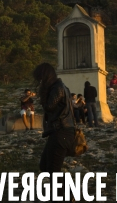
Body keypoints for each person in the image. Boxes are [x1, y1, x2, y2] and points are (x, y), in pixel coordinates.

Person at [33, 62, 75, 200]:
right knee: (45, 166)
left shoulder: (57, 88)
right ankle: (67, 193)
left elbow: (49, 107)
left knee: (52, 170)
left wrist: (42, 92)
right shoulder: (61, 87)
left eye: (41, 79)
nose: (39, 81)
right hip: (60, 132)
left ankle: (65, 196)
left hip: (61, 132)